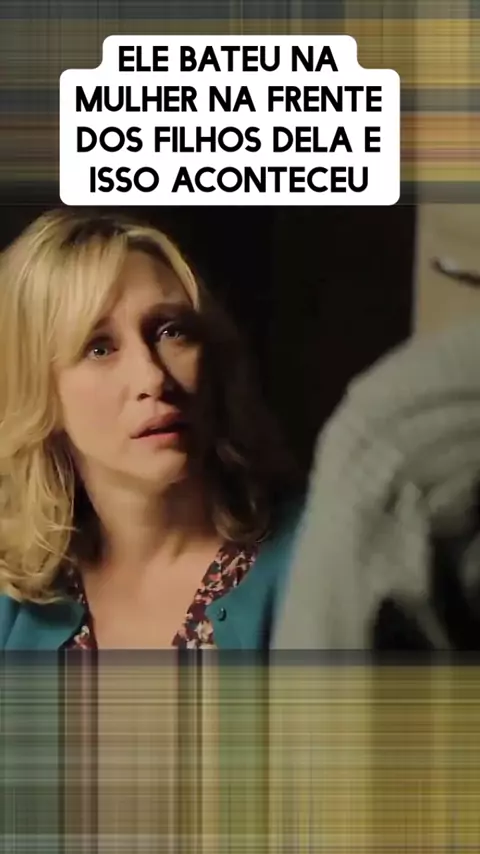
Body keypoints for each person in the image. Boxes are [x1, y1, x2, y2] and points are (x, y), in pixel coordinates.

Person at [0, 208, 302, 650]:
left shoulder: (312, 562)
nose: (153, 378)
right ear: (40, 391)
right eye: (99, 348)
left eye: (170, 331)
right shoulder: (18, 594)